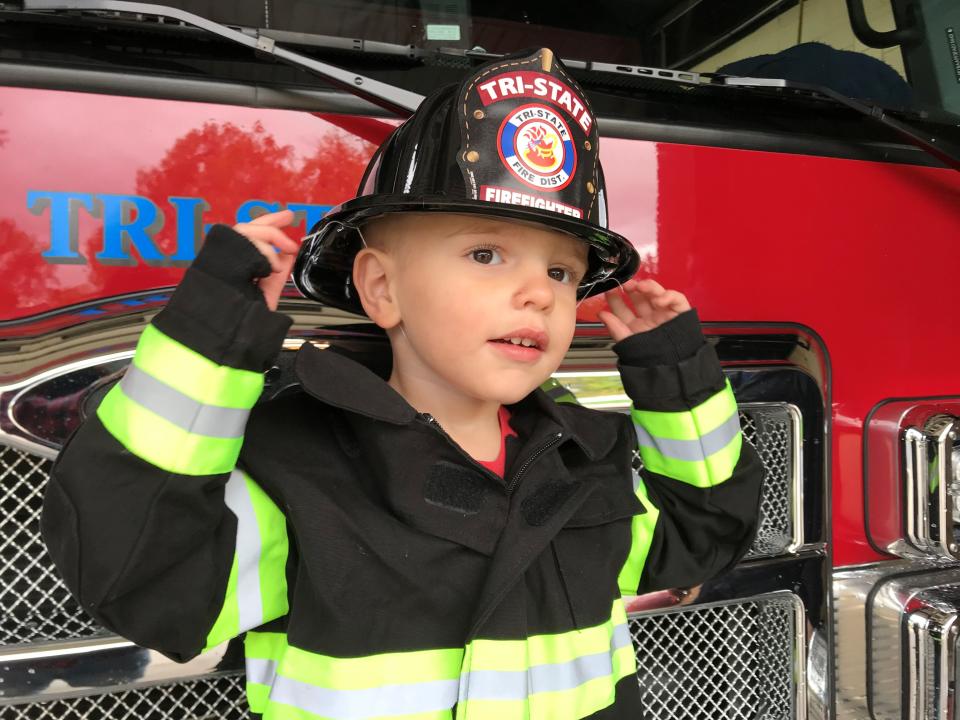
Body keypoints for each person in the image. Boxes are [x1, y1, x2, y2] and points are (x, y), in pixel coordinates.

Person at [41, 47, 763, 719]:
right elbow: (140, 576)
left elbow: (705, 532)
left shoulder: (589, 471)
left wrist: (676, 379)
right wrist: (209, 344)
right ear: (381, 288)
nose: (539, 295)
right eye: (486, 253)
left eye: (560, 272)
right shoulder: (297, 479)